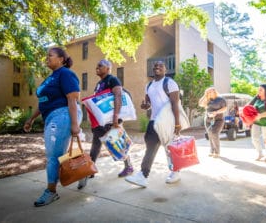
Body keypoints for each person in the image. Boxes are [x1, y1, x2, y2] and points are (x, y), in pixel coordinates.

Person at [23, 47, 82, 207]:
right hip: (51, 116)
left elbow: (72, 99)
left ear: (62, 59)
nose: (46, 58)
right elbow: (43, 102)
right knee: (57, 153)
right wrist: (31, 119)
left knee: (52, 155)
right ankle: (78, 170)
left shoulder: (66, 74)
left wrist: (75, 125)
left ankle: (51, 191)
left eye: (50, 55)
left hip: (63, 114)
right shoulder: (51, 78)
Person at [77, 59, 134, 190]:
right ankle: (90, 170)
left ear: (108, 68)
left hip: (110, 121)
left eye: (100, 66)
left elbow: (118, 96)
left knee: (117, 144)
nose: (97, 67)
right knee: (96, 145)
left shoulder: (112, 80)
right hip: (100, 122)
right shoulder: (99, 83)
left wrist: (115, 118)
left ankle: (128, 166)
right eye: (97, 65)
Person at [125, 61, 182, 187]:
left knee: (169, 148)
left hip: (168, 121)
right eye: (155, 65)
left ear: (165, 70)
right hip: (154, 120)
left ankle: (175, 171)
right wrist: (145, 106)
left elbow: (175, 104)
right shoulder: (149, 85)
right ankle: (143, 176)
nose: (157, 67)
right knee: (150, 146)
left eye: (161, 65)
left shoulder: (170, 83)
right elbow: (149, 103)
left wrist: (177, 124)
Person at [249, 84, 266, 162]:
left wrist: (260, 115)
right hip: (256, 121)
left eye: (261, 90)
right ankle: (260, 153)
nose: (259, 91)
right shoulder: (257, 98)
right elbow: (248, 106)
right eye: (258, 89)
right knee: (254, 138)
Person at [198, 87, 227, 158]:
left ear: (214, 92)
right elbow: (200, 104)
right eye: (208, 92)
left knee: (214, 133)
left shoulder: (220, 99)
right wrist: (205, 95)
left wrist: (216, 112)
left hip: (218, 120)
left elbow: (224, 108)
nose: (210, 93)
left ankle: (217, 152)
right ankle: (212, 151)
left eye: (211, 92)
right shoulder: (207, 100)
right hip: (208, 120)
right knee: (210, 135)